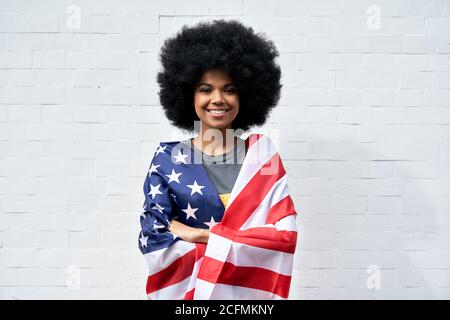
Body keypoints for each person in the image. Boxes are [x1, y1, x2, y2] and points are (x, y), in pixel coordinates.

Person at [138, 19, 298, 299]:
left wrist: (202, 236)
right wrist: (244, 246)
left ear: (245, 95)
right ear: (188, 95)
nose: (218, 99)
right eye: (205, 89)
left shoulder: (263, 159)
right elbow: (156, 242)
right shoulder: (167, 160)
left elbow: (283, 239)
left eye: (230, 89)